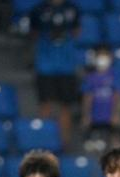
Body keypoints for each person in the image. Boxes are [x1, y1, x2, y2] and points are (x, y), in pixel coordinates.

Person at [28, 0, 80, 149]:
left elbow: (77, 31)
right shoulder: (38, 10)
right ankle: (43, 141)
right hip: (45, 66)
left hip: (67, 67)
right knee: (45, 104)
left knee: (66, 106)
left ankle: (65, 142)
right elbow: (33, 34)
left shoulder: (72, 9)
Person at [80, 46, 120, 146]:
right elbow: (87, 97)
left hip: (110, 115)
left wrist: (116, 114)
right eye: (100, 55)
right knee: (92, 144)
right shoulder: (90, 77)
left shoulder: (115, 75)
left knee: (115, 141)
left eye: (105, 55)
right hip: (94, 116)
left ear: (111, 58)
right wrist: (86, 115)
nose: (102, 58)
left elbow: (118, 96)